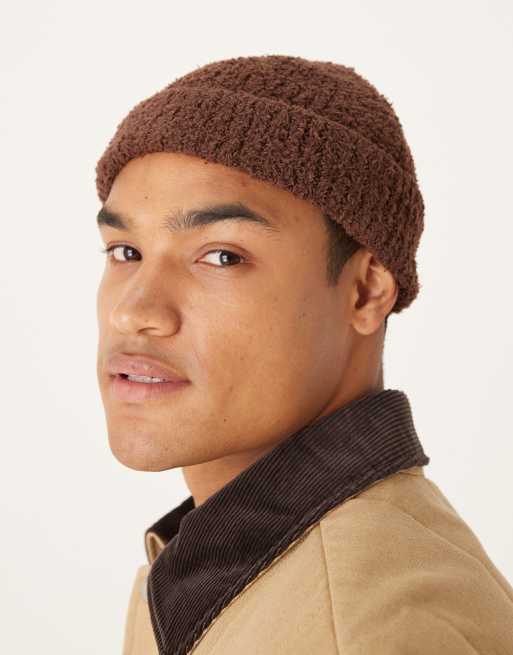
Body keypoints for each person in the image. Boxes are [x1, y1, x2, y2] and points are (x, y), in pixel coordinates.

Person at [94, 54, 513, 655]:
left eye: (222, 256)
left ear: (366, 291)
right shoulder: (218, 570)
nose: (134, 311)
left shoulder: (368, 628)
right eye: (125, 252)